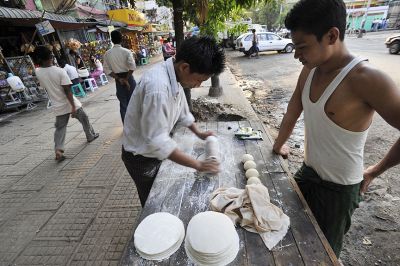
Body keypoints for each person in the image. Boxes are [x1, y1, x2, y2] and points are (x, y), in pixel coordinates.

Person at [272, 0, 400, 258]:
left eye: (302, 47)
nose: (297, 55)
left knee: (322, 254)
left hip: (339, 190)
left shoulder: (367, 79)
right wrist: (276, 146)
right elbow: (292, 113)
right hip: (308, 173)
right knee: (284, 234)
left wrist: (375, 171)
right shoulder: (309, 72)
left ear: (332, 35)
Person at [122, 36, 225, 207]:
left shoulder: (175, 75)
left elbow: (182, 109)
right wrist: (199, 164)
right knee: (153, 202)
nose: (198, 85)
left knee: (161, 197)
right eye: (199, 79)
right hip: (140, 158)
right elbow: (157, 141)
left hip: (151, 150)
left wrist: (199, 132)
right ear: (185, 67)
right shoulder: (158, 88)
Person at [34, 46, 99, 161]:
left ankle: (58, 149)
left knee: (60, 128)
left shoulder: (38, 72)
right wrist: (73, 107)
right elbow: (67, 90)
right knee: (84, 118)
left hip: (57, 105)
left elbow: (45, 87)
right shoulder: (59, 71)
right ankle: (90, 136)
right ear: (51, 57)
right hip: (70, 103)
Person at [103, 30, 136, 123]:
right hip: (129, 78)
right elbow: (132, 67)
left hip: (118, 80)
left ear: (112, 40)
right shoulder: (127, 51)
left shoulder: (107, 53)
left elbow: (106, 69)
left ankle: (126, 126)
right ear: (121, 39)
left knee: (123, 104)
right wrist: (126, 79)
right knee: (133, 101)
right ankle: (135, 125)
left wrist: (119, 79)